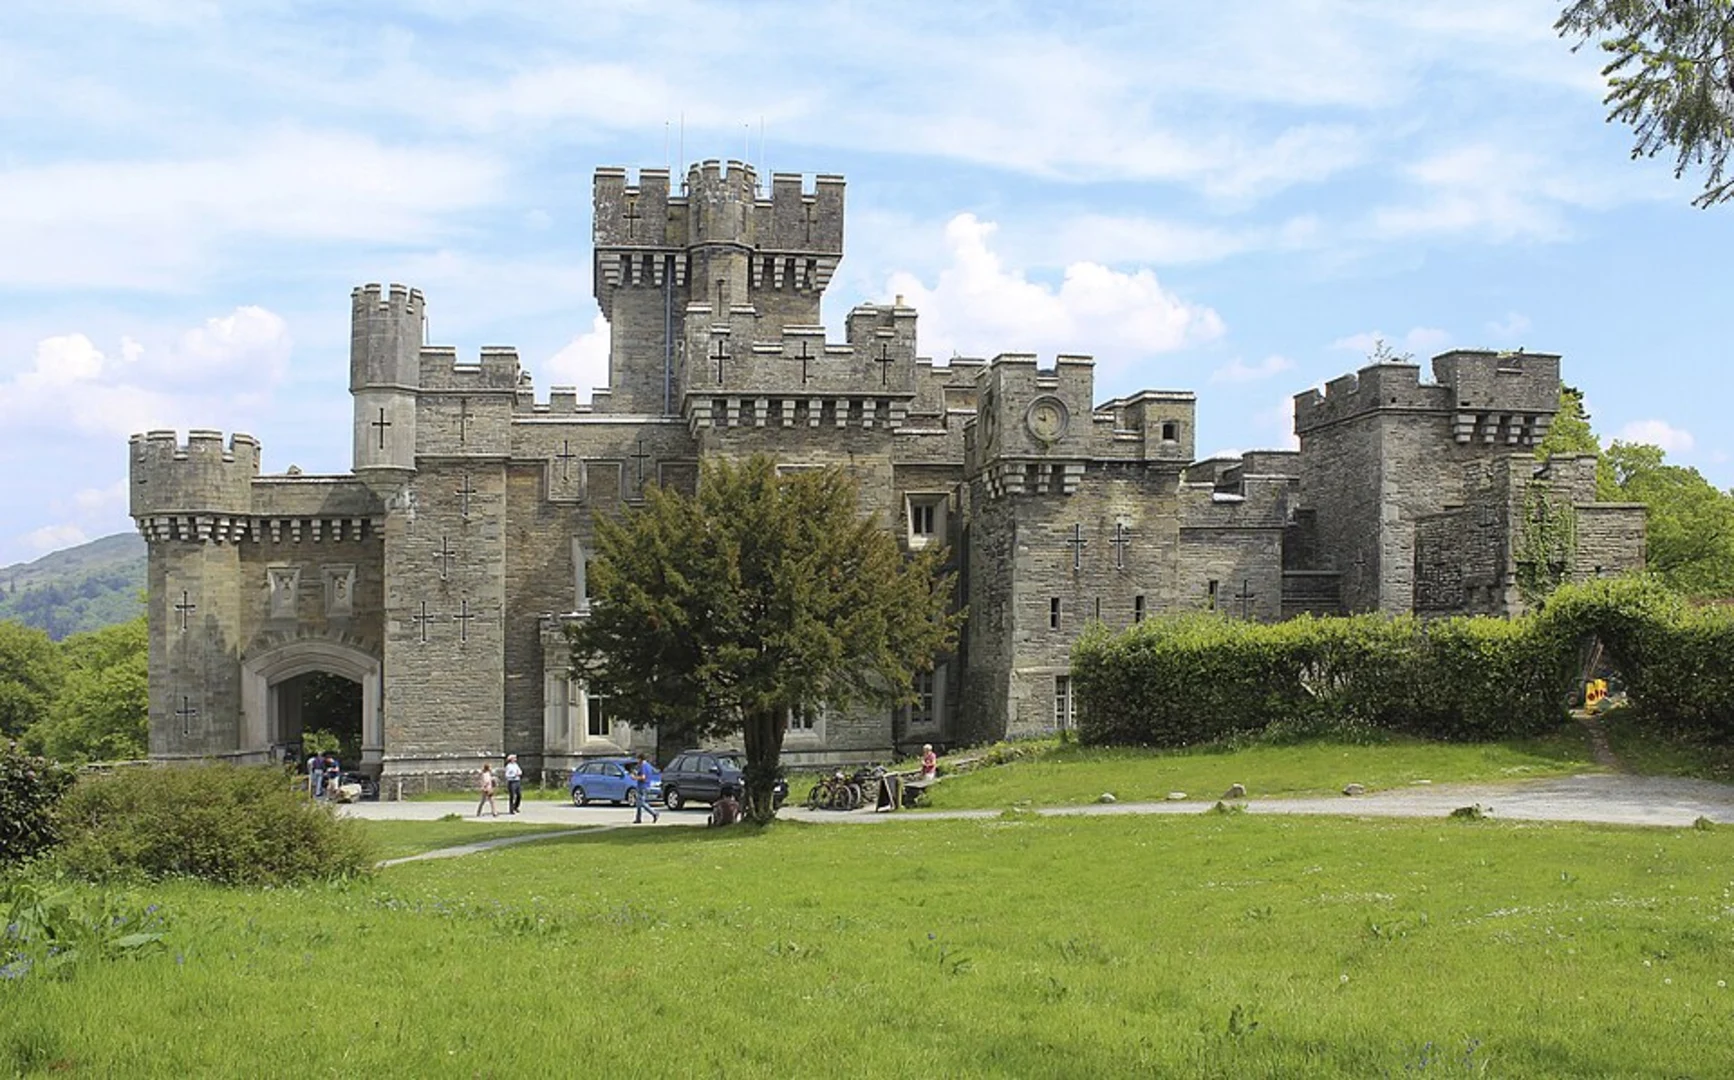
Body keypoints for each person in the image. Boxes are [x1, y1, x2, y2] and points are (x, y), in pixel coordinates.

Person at [632, 752, 660, 824]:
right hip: (647, 785)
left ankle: (654, 813)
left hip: (642, 786)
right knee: (638, 803)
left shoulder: (643, 766)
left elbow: (643, 777)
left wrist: (635, 777)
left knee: (641, 803)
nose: (637, 761)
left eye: (638, 759)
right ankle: (638, 818)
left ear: (641, 759)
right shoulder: (648, 766)